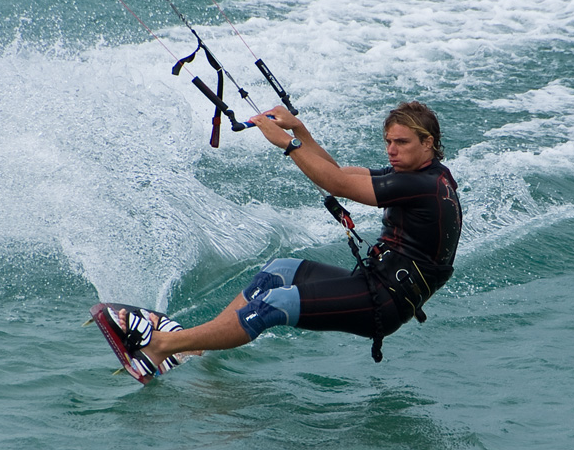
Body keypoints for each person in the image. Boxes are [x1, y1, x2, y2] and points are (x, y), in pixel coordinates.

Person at [103, 101, 462, 375]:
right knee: (280, 271)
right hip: (374, 282)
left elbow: (335, 184)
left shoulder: (422, 186)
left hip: (384, 302)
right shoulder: (422, 175)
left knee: (276, 304)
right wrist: (300, 131)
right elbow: (336, 171)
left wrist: (288, 145)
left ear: (428, 143)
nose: (391, 150)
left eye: (401, 142)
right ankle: (193, 346)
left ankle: (162, 345)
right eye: (388, 142)